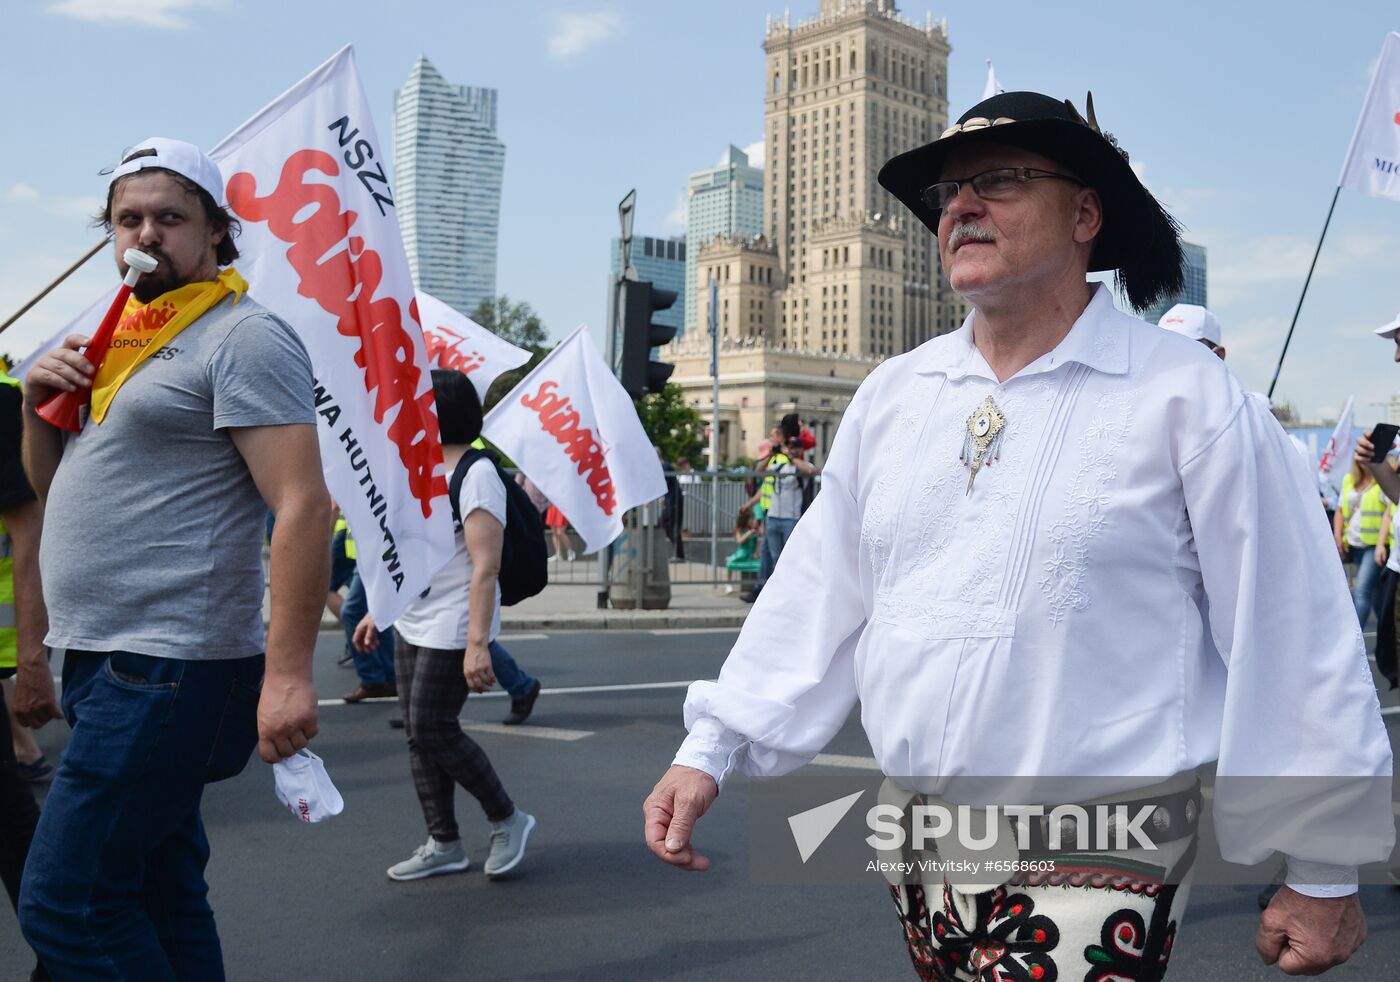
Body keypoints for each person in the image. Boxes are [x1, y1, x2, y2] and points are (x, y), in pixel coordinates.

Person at [644, 91, 1392, 978]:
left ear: (1085, 214)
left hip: (1105, 837)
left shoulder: (1188, 398)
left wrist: (1322, 865)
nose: (960, 206)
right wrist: (710, 748)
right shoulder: (893, 396)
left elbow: (1291, 626)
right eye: (947, 192)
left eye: (998, 180)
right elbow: (817, 591)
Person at [17, 138, 329, 979]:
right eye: (128, 219)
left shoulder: (242, 336)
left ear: (216, 231)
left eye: (169, 217)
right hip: (104, 656)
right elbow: (53, 490)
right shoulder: (118, 338)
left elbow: (304, 504)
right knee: (159, 891)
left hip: (167, 664)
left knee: (67, 903)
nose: (146, 234)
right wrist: (38, 409)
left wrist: (288, 677)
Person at [355, 370, 535, 882]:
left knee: (433, 726)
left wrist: (478, 644)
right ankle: (444, 842)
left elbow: (485, 566)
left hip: (455, 621)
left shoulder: (476, 473)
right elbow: (408, 552)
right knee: (418, 734)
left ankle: (508, 819)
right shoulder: (418, 465)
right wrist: (379, 609)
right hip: (412, 617)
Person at [1, 360, 59, 982]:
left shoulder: (1, 403)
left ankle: (59, 957)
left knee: (11, 819)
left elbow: (29, 531)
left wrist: (31, 660)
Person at [739, 430, 819, 603]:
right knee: (776, 558)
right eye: (789, 446)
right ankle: (779, 594)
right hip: (773, 518)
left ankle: (792, 593)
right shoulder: (779, 466)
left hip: (791, 518)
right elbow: (759, 473)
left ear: (800, 449)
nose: (791, 449)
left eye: (795, 447)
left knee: (790, 558)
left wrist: (791, 457)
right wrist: (770, 456)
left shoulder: (802, 465)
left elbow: (810, 471)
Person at [1334, 459, 1387, 626]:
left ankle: (1356, 636)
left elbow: (1389, 512)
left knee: (1362, 591)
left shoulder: (1382, 480)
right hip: (1354, 543)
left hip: (1374, 545)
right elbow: (1340, 509)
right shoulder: (1349, 479)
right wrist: (1338, 536)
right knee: (1376, 592)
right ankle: (1387, 633)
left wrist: (1380, 544)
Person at [722, 505, 761, 593]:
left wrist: (756, 552)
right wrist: (749, 533)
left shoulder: (753, 529)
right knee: (730, 563)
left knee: (761, 565)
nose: (753, 521)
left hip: (751, 554)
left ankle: (759, 585)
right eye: (751, 519)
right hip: (742, 554)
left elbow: (756, 542)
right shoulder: (739, 530)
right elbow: (740, 540)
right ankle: (728, 584)